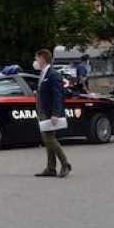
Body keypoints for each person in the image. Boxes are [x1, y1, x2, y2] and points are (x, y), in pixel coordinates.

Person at [33, 49, 72, 179]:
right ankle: (51, 168)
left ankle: (65, 164)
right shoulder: (43, 73)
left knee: (50, 138)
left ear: (43, 58)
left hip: (49, 112)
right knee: (47, 139)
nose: (36, 61)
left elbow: (58, 95)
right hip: (42, 111)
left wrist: (56, 113)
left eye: (37, 58)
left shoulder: (53, 74)